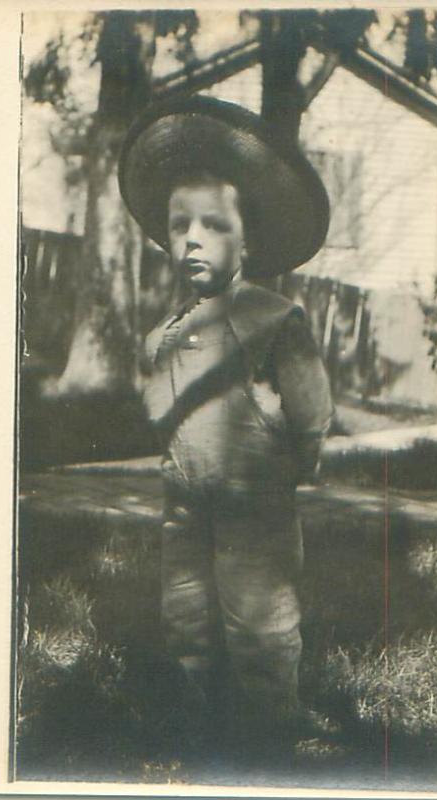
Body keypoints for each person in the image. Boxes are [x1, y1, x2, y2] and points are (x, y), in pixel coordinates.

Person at [118, 96, 334, 762]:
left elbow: (312, 407)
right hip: (185, 494)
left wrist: (298, 456)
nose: (191, 238)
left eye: (213, 225)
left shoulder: (273, 319)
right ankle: (195, 709)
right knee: (185, 603)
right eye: (180, 224)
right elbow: (157, 400)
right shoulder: (168, 331)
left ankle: (272, 719)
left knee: (258, 614)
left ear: (248, 242)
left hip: (254, 491)